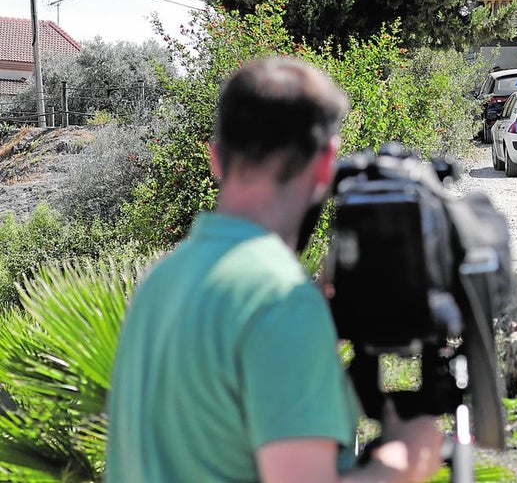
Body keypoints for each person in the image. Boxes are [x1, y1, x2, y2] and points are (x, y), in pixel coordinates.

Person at [106, 55, 443, 483]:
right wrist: (407, 455)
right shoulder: (279, 301)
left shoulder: (162, 279)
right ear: (325, 163)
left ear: (215, 158)